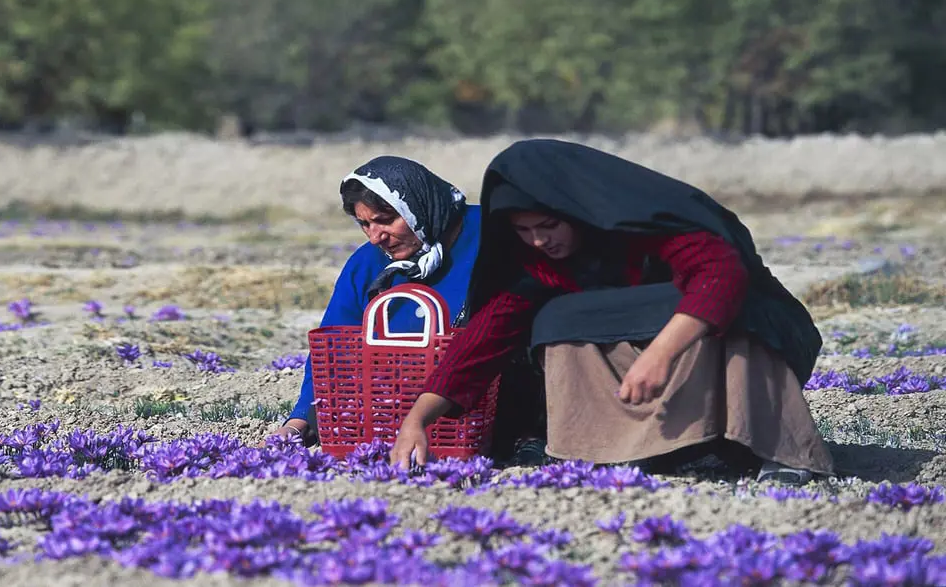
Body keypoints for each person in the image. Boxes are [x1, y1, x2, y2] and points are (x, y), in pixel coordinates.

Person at [388, 138, 835, 485]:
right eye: (524, 231)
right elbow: (482, 341)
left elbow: (720, 275)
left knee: (734, 305)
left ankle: (780, 451)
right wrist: (418, 419)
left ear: (574, 210)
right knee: (555, 319)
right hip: (649, 367)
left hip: (738, 331)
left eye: (549, 225)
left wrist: (659, 354)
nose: (539, 241)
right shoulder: (541, 262)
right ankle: (621, 448)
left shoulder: (643, 222)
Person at [268, 155, 546, 462]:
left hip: (487, 388)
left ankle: (529, 435)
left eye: (386, 220)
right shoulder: (367, 263)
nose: (376, 237)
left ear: (418, 206)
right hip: (399, 397)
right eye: (364, 224)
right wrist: (298, 422)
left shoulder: (496, 235)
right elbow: (334, 348)